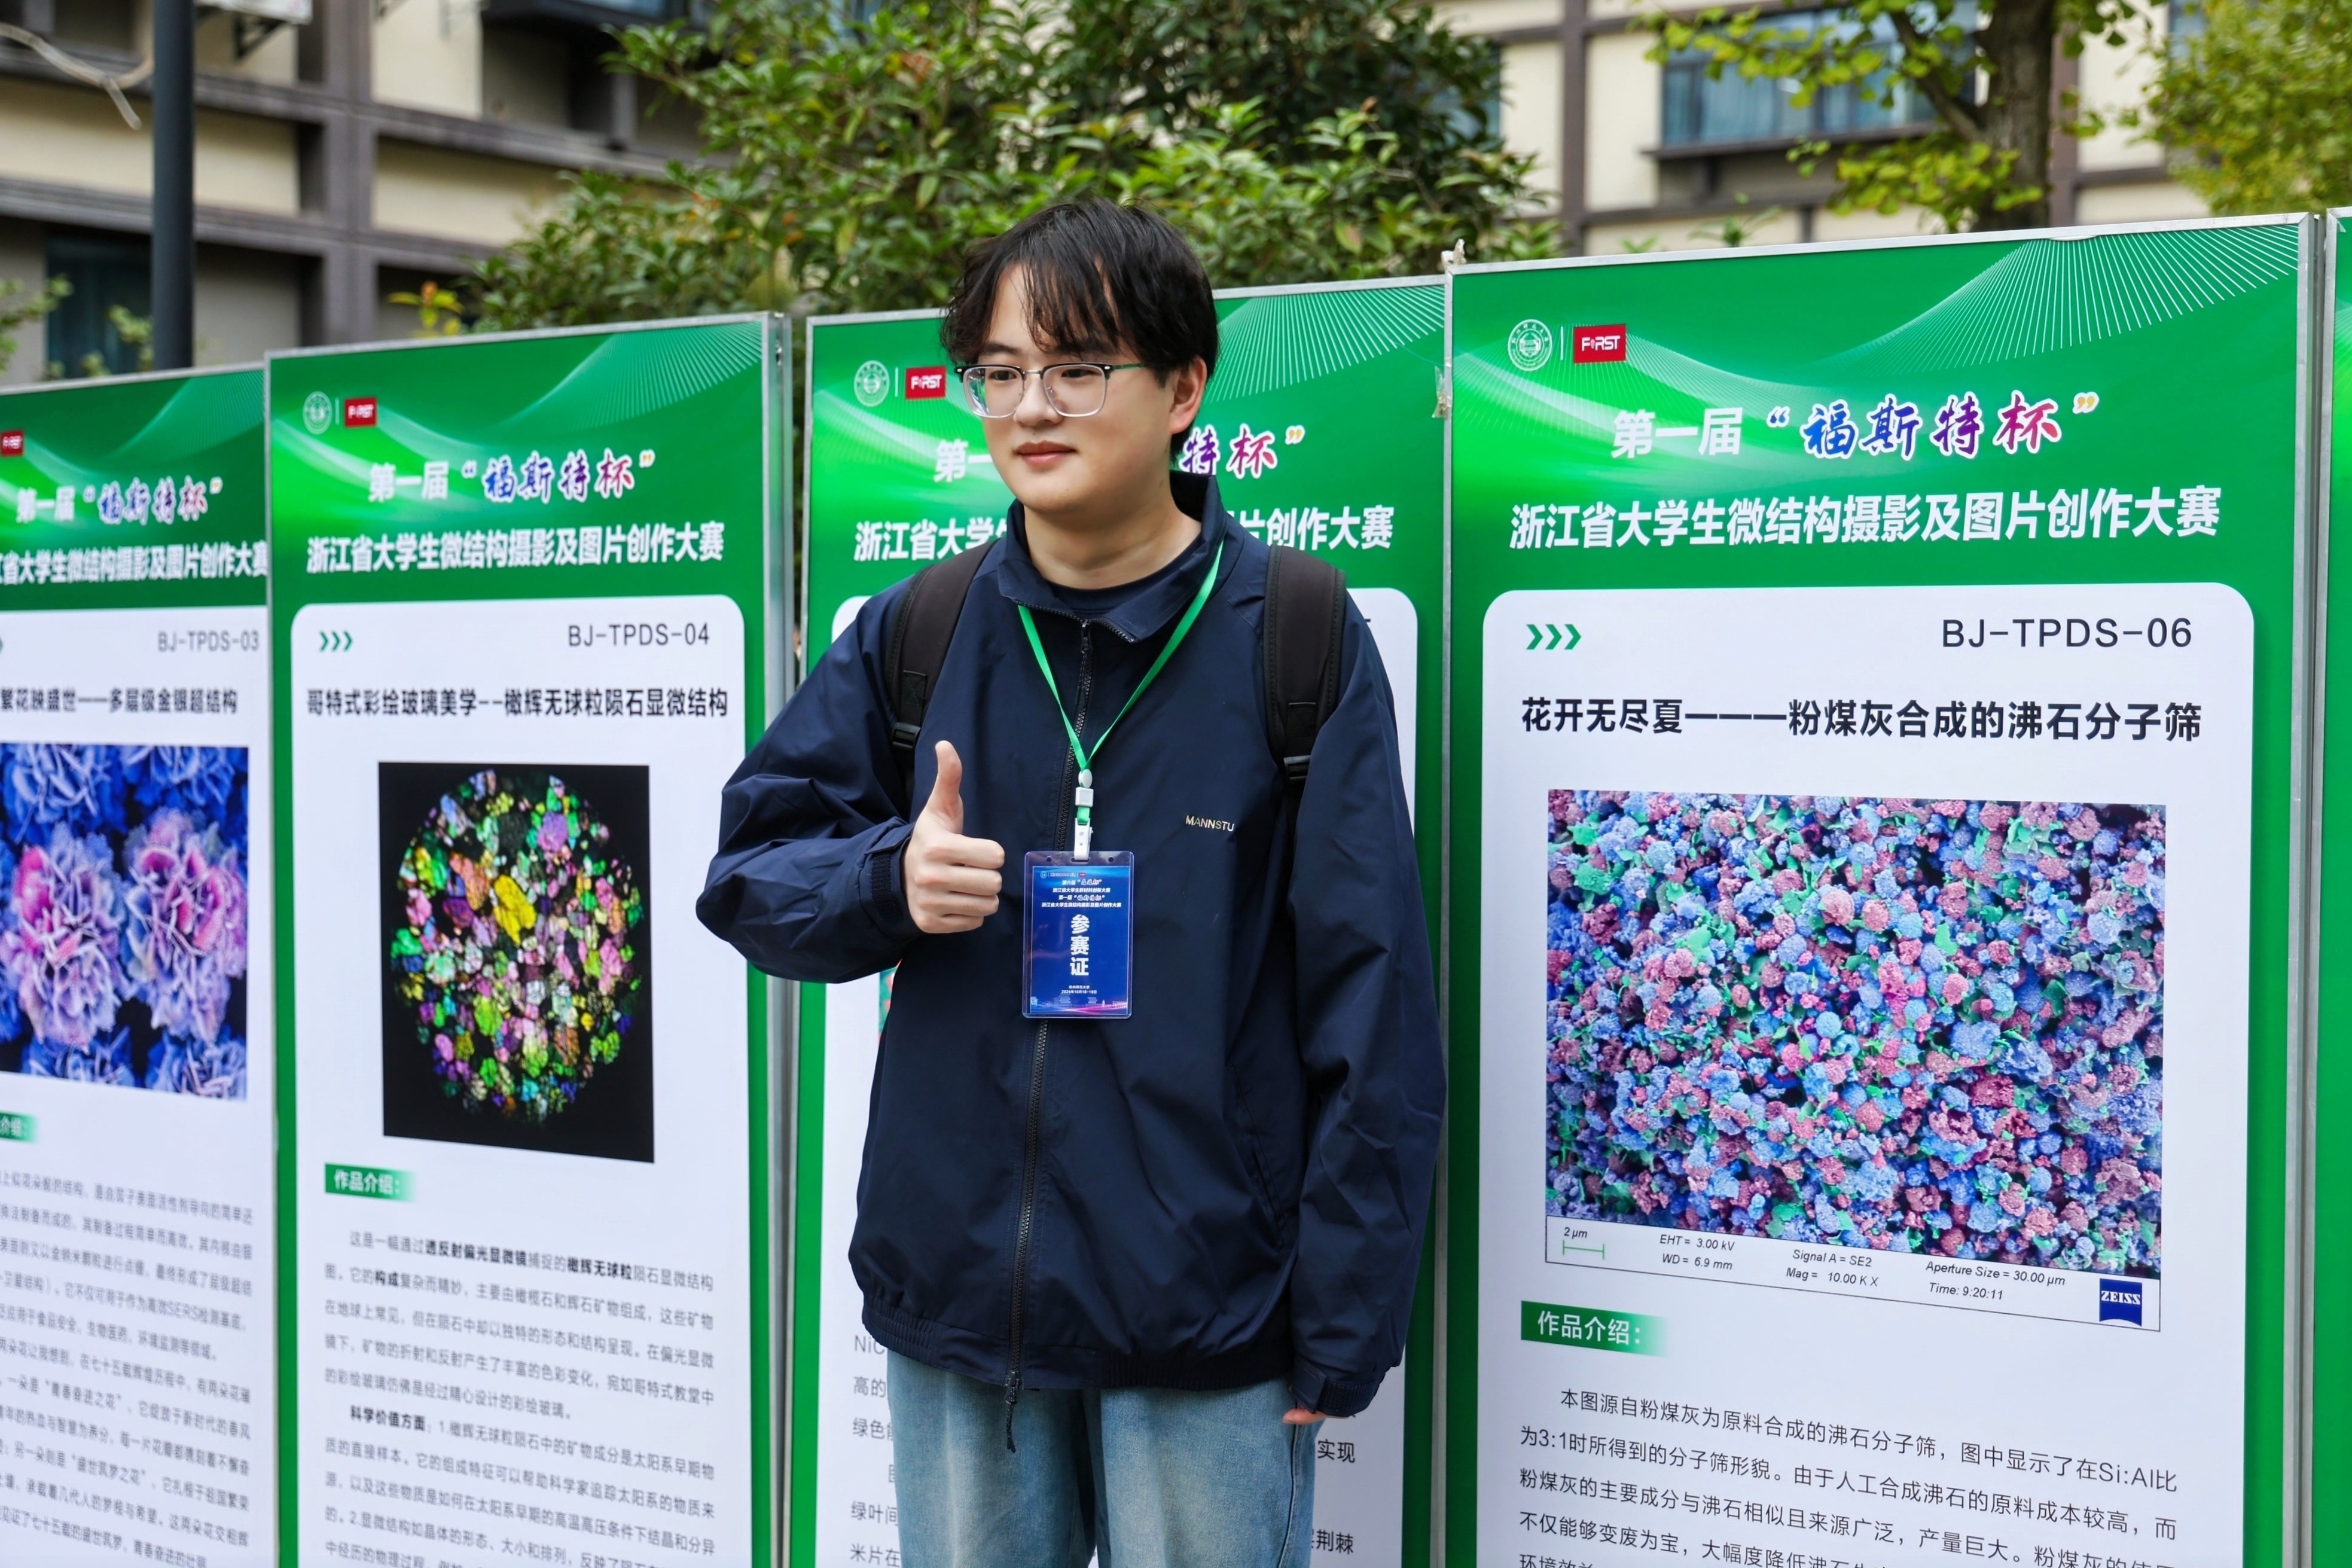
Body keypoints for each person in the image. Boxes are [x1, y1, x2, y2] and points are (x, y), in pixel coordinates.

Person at [698, 200, 1443, 1568]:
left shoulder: (1295, 638)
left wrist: (1341, 1323)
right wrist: (885, 880)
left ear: (1182, 390)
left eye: (1078, 367)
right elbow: (749, 875)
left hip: (1204, 1312)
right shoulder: (918, 633)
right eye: (999, 371)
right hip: (962, 1301)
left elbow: (1372, 1002)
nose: (1031, 407)